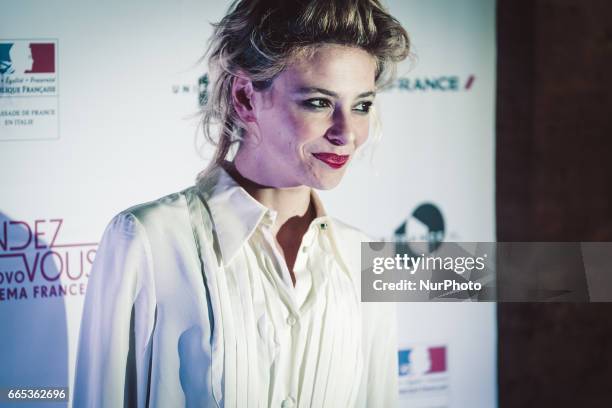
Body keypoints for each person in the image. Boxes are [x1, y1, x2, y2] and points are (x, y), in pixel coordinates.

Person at [74, 0, 410, 406]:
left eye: (362, 105)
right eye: (319, 102)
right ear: (245, 98)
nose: (347, 133)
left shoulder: (364, 259)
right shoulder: (149, 240)